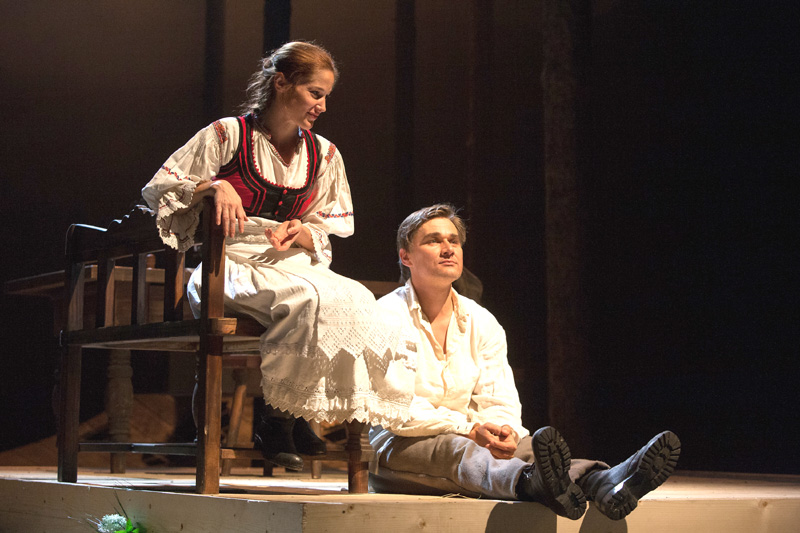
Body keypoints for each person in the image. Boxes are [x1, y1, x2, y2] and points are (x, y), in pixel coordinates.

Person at [142, 41, 414, 471]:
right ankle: (276, 421)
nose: (322, 106)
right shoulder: (227, 135)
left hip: (290, 262)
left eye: (326, 96)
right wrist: (214, 186)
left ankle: (299, 411)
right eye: (315, 93)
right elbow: (161, 189)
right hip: (227, 264)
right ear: (281, 83)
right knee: (305, 300)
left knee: (360, 300)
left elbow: (325, 223)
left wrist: (303, 231)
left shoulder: (323, 154)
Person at [369, 204, 681, 520]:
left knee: (527, 448)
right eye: (433, 240)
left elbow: (499, 397)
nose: (448, 248)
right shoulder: (386, 316)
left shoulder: (482, 321)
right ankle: (530, 482)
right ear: (406, 256)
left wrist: (503, 430)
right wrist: (470, 429)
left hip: (471, 435)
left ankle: (603, 480)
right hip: (400, 445)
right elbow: (397, 408)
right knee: (460, 450)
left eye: (454, 241)